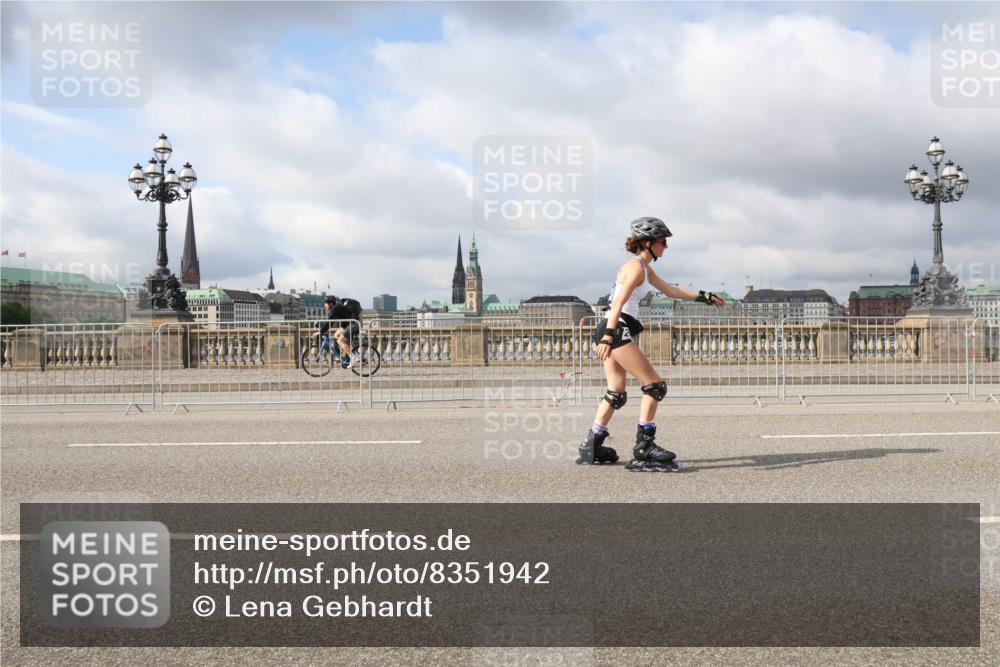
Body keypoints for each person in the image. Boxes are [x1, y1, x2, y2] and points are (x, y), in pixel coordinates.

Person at [577, 217, 725, 472]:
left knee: (616, 392)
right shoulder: (636, 268)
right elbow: (618, 303)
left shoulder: (644, 268)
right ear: (648, 243)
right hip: (617, 327)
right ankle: (644, 448)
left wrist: (704, 297)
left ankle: (592, 444)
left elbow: (671, 291)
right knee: (655, 386)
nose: (665, 247)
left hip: (612, 326)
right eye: (662, 242)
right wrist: (608, 336)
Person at [316, 295, 361, 368]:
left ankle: (353, 357)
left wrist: (320, 331)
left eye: (325, 303)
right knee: (336, 335)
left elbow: (329, 322)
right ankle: (341, 357)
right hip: (348, 325)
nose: (324, 305)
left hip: (353, 325)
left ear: (330, 304)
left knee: (340, 340)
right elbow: (331, 322)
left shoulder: (335, 308)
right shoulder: (336, 308)